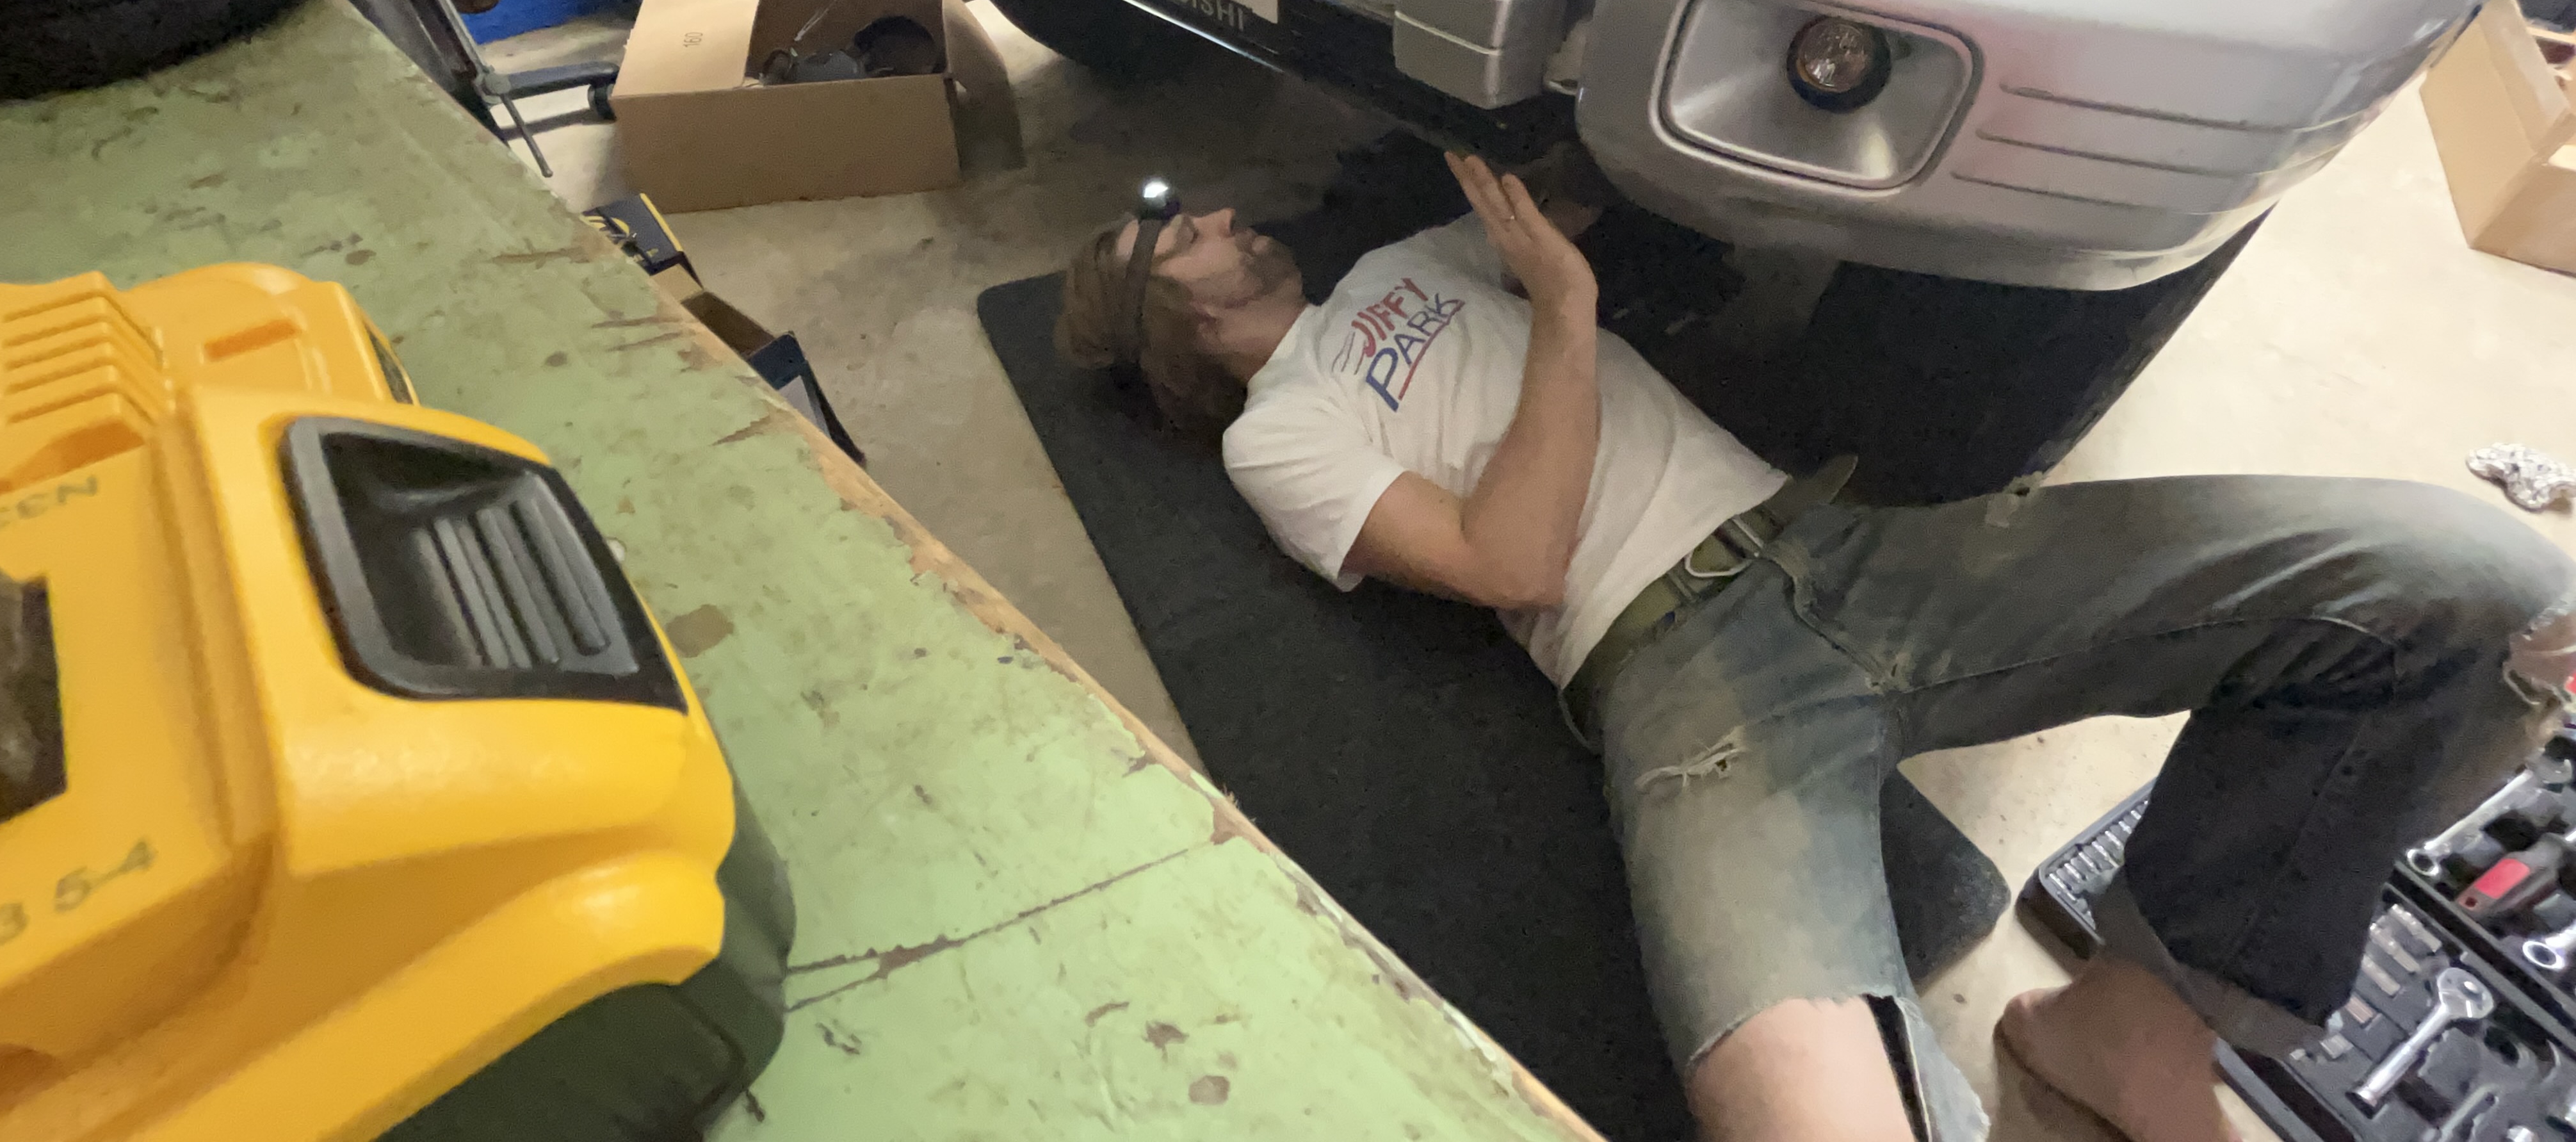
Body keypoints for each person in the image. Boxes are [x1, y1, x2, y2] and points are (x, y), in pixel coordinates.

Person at [1055, 151, 2576, 1142]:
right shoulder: (1283, 438)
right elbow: (1511, 557)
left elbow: (1582, 185)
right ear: (1150, 321)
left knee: (2484, 584)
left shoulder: (1402, 265)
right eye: (1171, 233)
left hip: (1866, 550)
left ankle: (2133, 1022)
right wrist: (1567, 317)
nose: (1218, 213)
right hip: (1688, 693)